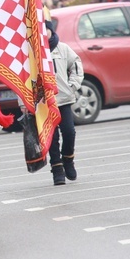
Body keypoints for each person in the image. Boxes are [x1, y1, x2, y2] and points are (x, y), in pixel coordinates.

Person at [45, 21, 84, 186]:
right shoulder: (31, 52)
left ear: (50, 31)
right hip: (43, 102)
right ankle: (57, 168)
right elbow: (22, 78)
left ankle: (68, 159)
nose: (42, 34)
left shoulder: (63, 48)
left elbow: (76, 66)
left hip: (63, 99)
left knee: (69, 132)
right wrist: (23, 101)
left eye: (45, 30)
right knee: (51, 137)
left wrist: (72, 86)